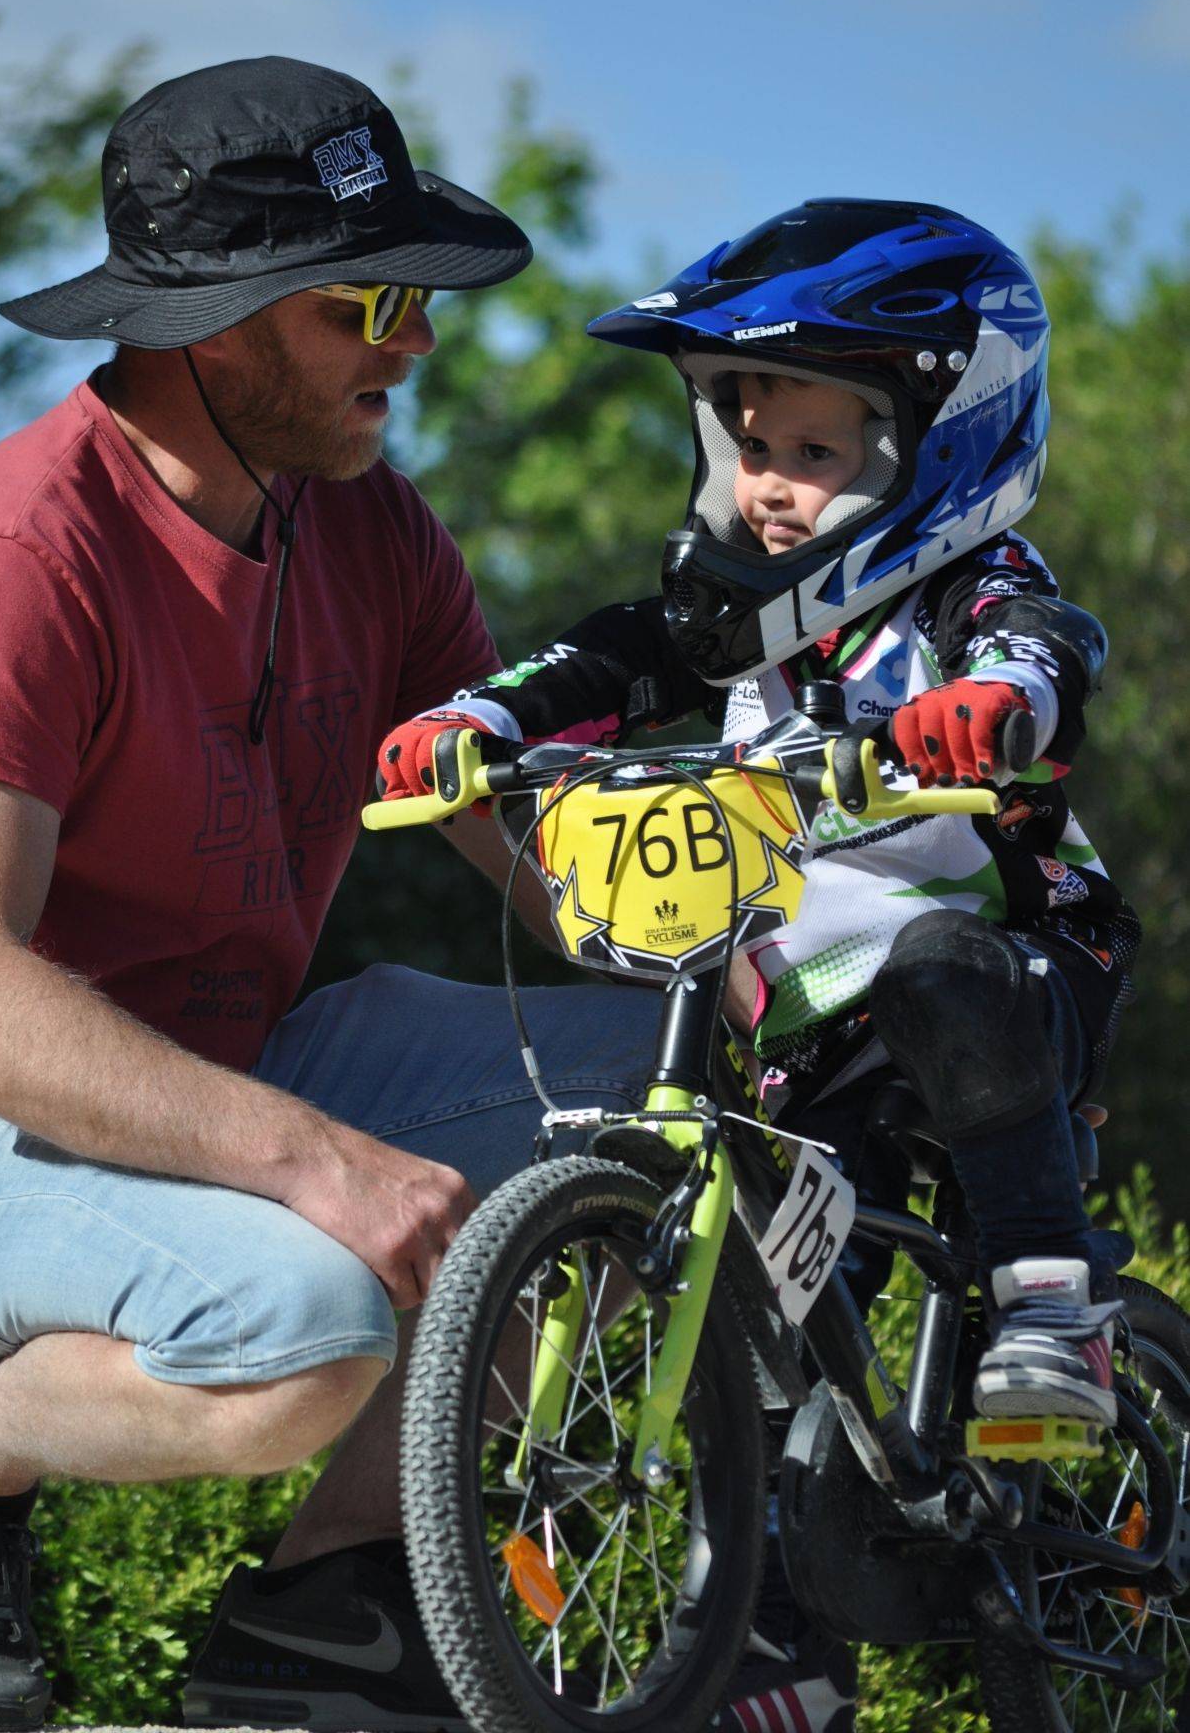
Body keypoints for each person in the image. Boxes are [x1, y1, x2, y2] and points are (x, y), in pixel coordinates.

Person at [0, 55, 662, 1733]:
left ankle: (333, 1615)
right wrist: (318, 1163)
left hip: (209, 1090)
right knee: (311, 1323)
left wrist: (777, 949)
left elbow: (535, 844)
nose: (416, 341)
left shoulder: (369, 531)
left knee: (675, 1119)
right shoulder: (14, 562)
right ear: (214, 326)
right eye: (368, 304)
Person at [376, 196, 1141, 1733]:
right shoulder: (723, 617)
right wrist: (485, 723)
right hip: (807, 998)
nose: (773, 490)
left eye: (815, 451)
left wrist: (993, 709)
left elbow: (1049, 644)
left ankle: (1054, 1309)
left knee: (937, 966)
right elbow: (598, 659)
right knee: (781, 1319)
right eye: (751, 443)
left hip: (1007, 961)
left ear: (938, 444)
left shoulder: (958, 592)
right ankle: (778, 1660)